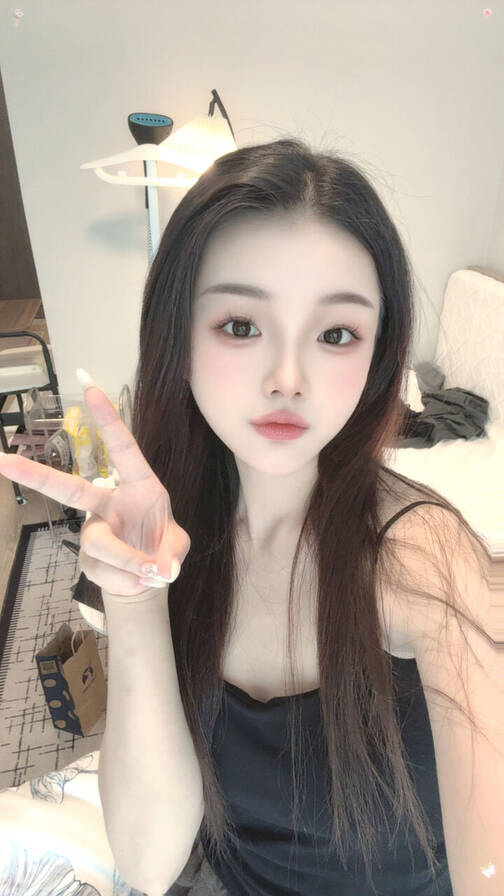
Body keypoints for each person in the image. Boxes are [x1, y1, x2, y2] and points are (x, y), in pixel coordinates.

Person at [0, 138, 492, 895]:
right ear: (179, 336)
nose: (287, 379)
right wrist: (135, 599)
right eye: (239, 325)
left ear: (376, 354)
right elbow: (152, 861)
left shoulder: (419, 554)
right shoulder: (170, 532)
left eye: (336, 334)